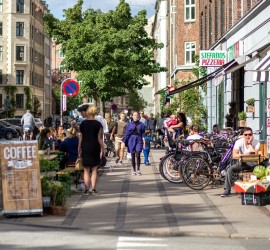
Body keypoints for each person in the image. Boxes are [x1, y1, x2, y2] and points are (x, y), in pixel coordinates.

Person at [221, 127, 260, 197]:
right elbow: (234, 155)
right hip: (243, 163)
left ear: (252, 135)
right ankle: (227, 189)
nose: (248, 136)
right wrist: (244, 155)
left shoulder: (256, 142)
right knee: (230, 169)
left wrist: (249, 144)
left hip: (253, 164)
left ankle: (259, 189)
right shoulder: (239, 142)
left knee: (261, 169)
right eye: (246, 135)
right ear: (243, 135)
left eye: (250, 134)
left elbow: (255, 155)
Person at [78, 105, 105, 195]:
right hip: (95, 147)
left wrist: (79, 148)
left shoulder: (83, 124)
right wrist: (103, 149)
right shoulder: (99, 125)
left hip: (85, 146)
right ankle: (93, 188)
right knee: (94, 169)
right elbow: (99, 138)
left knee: (86, 169)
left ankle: (86, 189)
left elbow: (81, 137)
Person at [123, 111, 145, 175]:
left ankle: (138, 169)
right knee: (132, 156)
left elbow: (143, 134)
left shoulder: (142, 124)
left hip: (139, 140)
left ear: (139, 116)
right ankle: (134, 170)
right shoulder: (129, 124)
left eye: (137, 115)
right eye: (134, 115)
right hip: (131, 140)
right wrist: (124, 142)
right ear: (132, 116)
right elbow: (126, 134)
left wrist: (144, 142)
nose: (136, 116)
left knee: (138, 155)